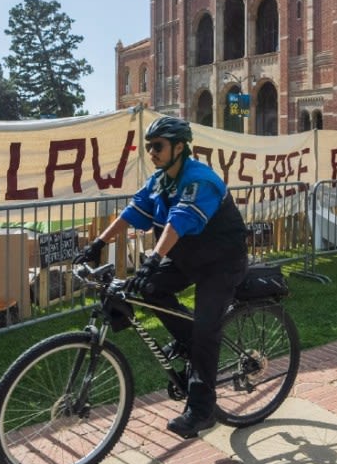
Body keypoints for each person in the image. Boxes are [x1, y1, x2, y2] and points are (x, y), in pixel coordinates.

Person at [76, 116, 248, 439]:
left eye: (158, 146)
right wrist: (97, 244)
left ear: (179, 147)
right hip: (191, 258)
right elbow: (130, 213)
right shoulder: (159, 181)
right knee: (150, 289)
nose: (152, 152)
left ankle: (202, 410)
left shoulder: (200, 179)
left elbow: (179, 222)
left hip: (222, 263)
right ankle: (189, 341)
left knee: (206, 331)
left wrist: (153, 258)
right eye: (149, 147)